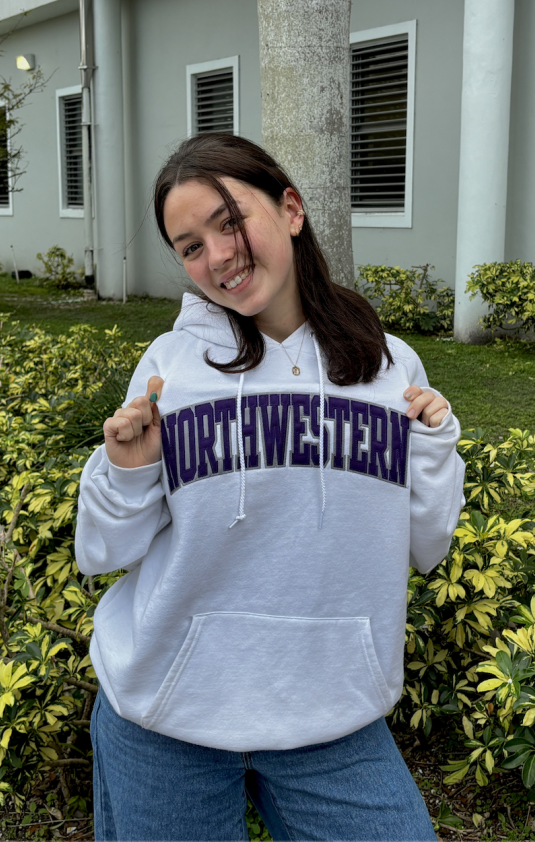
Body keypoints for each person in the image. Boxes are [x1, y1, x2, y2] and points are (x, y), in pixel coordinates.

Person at [75, 133, 465, 841]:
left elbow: (426, 545)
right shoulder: (173, 369)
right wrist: (127, 469)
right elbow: (103, 553)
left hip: (333, 718)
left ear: (290, 209)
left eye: (229, 221)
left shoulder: (385, 363)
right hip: (168, 717)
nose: (218, 256)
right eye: (190, 246)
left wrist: (434, 447)